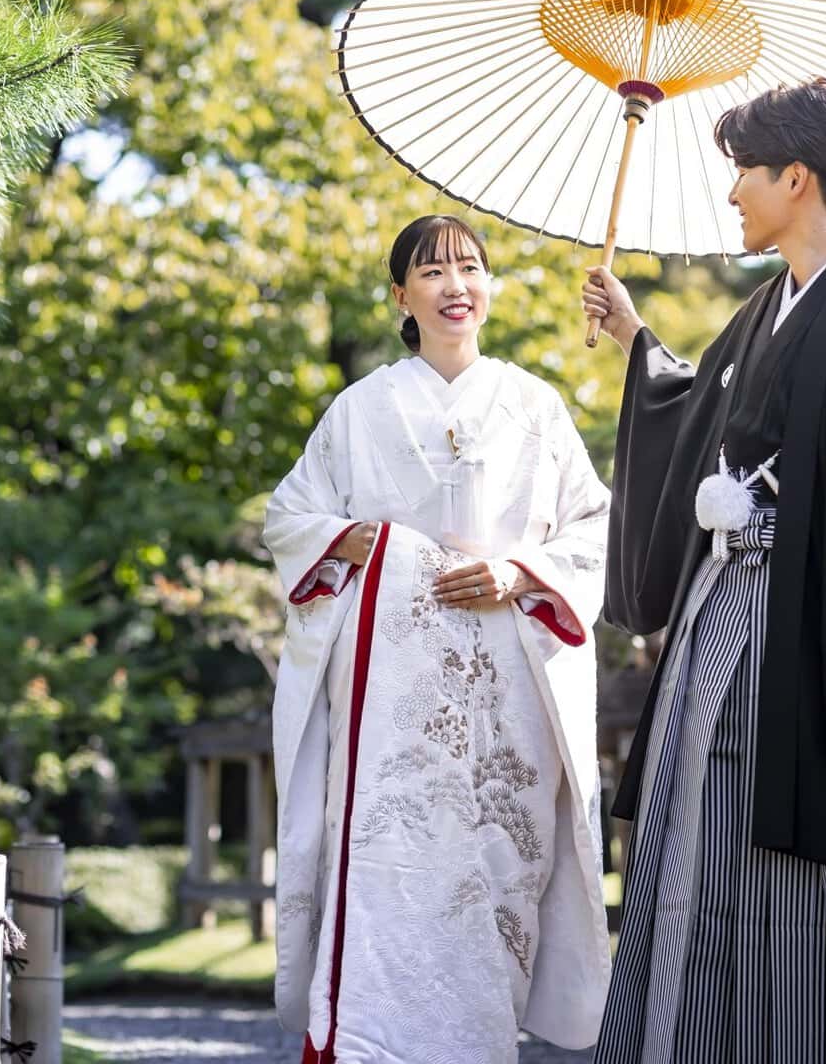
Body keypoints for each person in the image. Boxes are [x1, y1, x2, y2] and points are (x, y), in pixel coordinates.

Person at [581, 78, 826, 1064]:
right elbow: (705, 414)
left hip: (817, 619)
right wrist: (632, 335)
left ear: (796, 177)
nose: (732, 193)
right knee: (706, 827)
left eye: (743, 172)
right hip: (726, 610)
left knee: (801, 854)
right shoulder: (763, 311)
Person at [268, 214, 611, 1064]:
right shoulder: (357, 412)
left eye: (470, 267)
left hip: (507, 697)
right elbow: (291, 518)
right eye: (432, 272)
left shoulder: (536, 406)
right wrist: (369, 545)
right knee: (392, 877)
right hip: (394, 707)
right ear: (400, 296)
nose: (456, 285)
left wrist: (520, 574)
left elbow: (592, 528)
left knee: (498, 881)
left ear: (489, 287)